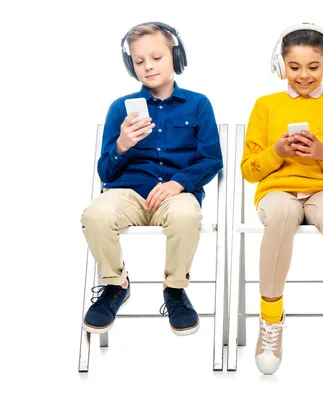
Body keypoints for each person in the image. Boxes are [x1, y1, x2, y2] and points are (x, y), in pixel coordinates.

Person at [240, 23, 323, 375]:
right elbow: (250, 170)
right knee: (281, 214)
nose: (304, 75)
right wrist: (277, 151)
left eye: (313, 67)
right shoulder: (265, 106)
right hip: (276, 190)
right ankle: (270, 321)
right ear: (280, 65)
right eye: (295, 67)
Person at [81, 22, 223, 337]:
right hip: (126, 194)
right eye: (139, 61)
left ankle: (174, 290)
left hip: (175, 194)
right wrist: (122, 145)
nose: (148, 66)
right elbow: (105, 172)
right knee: (95, 214)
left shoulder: (198, 104)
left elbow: (212, 159)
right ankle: (116, 285)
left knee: (187, 215)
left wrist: (178, 183)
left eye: (156, 57)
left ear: (176, 57)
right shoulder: (120, 108)